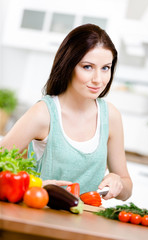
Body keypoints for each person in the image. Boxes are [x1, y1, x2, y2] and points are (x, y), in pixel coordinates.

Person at [0, 24, 132, 200]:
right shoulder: (43, 114)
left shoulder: (111, 116)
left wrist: (118, 182)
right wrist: (36, 185)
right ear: (68, 65)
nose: (98, 80)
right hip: (40, 217)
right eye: (87, 67)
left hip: (85, 224)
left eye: (105, 68)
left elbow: (127, 190)